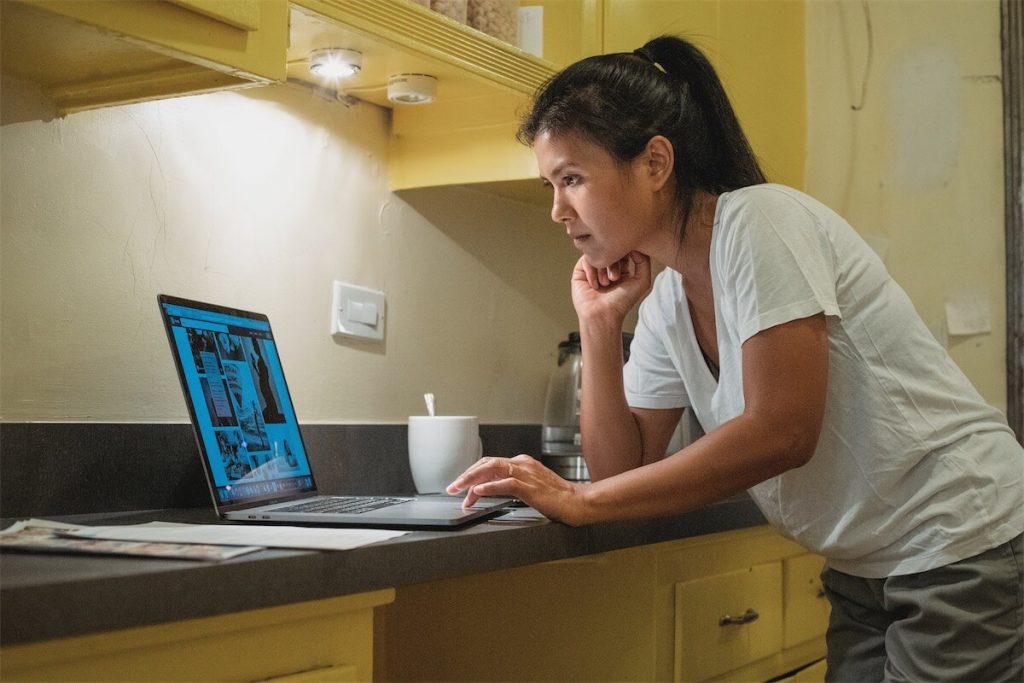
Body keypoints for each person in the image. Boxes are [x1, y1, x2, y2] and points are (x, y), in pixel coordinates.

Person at [447, 35, 1024, 682]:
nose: (558, 210)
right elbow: (620, 466)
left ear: (655, 163)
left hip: (962, 543)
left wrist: (583, 500)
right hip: (868, 567)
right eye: (552, 184)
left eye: (573, 178)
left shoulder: (760, 223)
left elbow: (783, 430)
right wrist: (601, 326)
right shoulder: (668, 297)